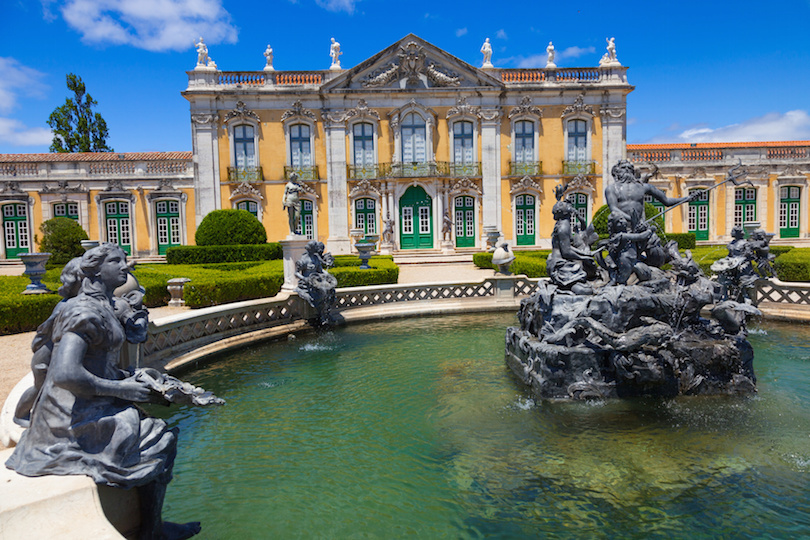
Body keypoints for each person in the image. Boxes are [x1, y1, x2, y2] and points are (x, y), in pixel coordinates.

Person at [6, 243, 200, 540]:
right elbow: (65, 373)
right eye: (117, 261)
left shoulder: (103, 305)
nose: (126, 266)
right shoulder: (83, 310)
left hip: (87, 400)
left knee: (152, 428)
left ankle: (153, 528)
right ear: (96, 270)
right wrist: (122, 388)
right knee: (158, 437)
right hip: (69, 414)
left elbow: (98, 363)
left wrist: (139, 380)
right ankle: (152, 532)